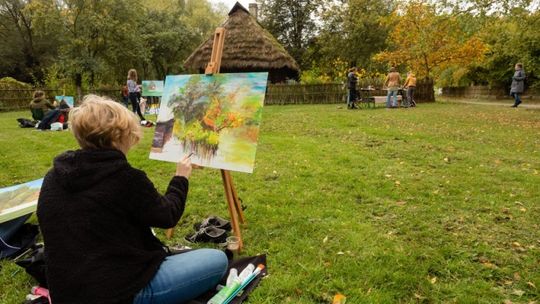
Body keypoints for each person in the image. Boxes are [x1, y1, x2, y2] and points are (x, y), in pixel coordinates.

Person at [37, 95, 228, 304]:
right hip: (118, 294)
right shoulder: (124, 177)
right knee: (217, 260)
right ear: (119, 136)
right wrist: (181, 177)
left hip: (64, 292)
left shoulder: (54, 175)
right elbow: (168, 215)